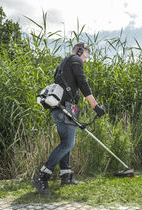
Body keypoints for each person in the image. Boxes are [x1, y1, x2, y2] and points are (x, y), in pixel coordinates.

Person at [32, 42, 105, 195]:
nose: (85, 59)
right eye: (86, 55)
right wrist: (95, 106)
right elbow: (83, 83)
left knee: (67, 142)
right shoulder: (75, 60)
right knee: (68, 144)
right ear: (79, 51)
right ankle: (42, 176)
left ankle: (66, 175)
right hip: (65, 107)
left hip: (60, 107)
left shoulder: (63, 63)